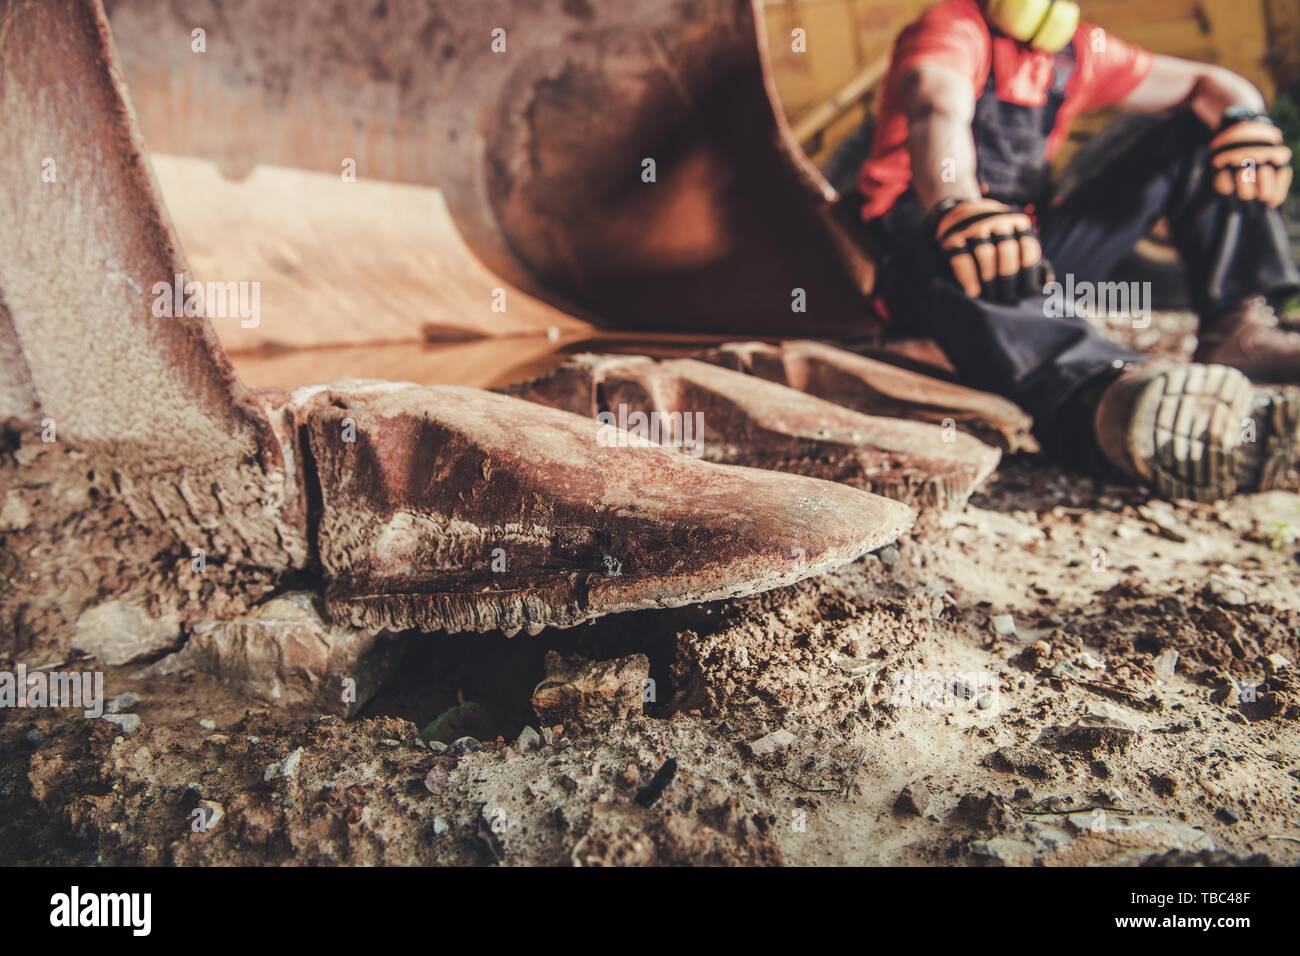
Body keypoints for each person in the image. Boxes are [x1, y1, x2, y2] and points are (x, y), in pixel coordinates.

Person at [860, 0, 1299, 500]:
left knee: (1204, 131)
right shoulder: (954, 26)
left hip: (1029, 248)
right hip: (928, 242)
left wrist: (1246, 119)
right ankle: (1107, 396)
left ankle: (1236, 330)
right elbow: (935, 102)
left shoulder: (1077, 53)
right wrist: (958, 203)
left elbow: (1210, 85)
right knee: (979, 256)